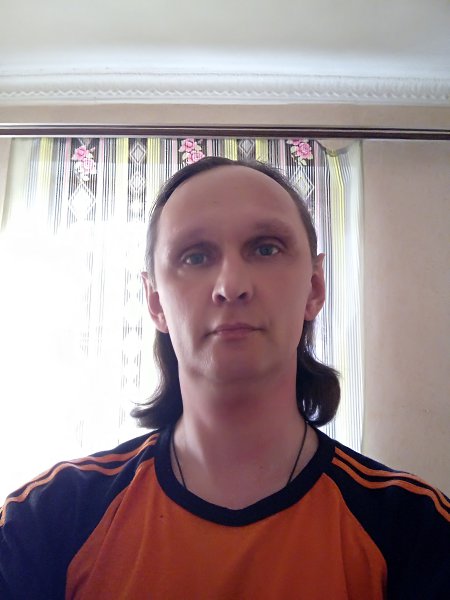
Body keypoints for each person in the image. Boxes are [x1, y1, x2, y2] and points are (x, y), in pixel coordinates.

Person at [0, 157, 449, 599]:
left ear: (314, 288)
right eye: (195, 256)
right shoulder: (44, 520)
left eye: (266, 248)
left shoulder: (419, 529)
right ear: (155, 303)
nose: (231, 286)